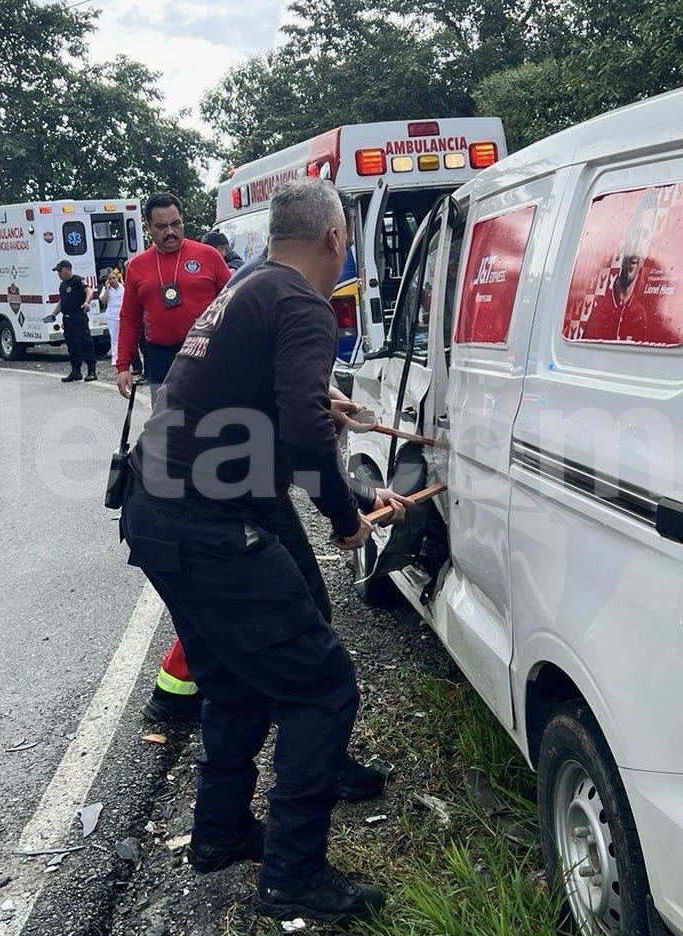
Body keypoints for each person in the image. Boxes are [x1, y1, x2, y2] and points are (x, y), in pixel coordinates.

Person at [120, 178, 408, 924]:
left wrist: (321, 400)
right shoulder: (304, 303)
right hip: (207, 521)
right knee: (322, 686)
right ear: (336, 243)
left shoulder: (247, 287)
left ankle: (217, 833)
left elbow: (258, 398)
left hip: (154, 511)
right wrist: (347, 521)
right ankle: (291, 876)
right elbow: (308, 441)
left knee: (234, 680)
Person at [114, 193, 231, 398]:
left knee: (212, 422)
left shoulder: (208, 256)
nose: (170, 232)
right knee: (167, 425)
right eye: (161, 226)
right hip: (160, 357)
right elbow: (130, 318)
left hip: (208, 353)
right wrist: (123, 365)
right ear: (148, 228)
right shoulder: (136, 267)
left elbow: (234, 305)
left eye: (176, 224)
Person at [55, 260, 97, 382]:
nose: (58, 274)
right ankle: (76, 371)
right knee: (72, 346)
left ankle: (92, 371)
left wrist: (86, 302)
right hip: (67, 319)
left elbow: (89, 290)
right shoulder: (62, 285)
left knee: (85, 344)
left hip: (78, 317)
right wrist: (54, 314)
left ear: (68, 269)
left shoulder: (78, 280)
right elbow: (62, 301)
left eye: (60, 271)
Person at [99, 266, 125, 369]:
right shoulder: (106, 289)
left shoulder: (123, 287)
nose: (112, 280)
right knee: (114, 338)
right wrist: (107, 289)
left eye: (114, 278)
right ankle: (115, 358)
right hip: (112, 315)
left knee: (124, 337)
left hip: (122, 315)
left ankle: (124, 357)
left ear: (117, 278)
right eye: (110, 279)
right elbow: (104, 301)